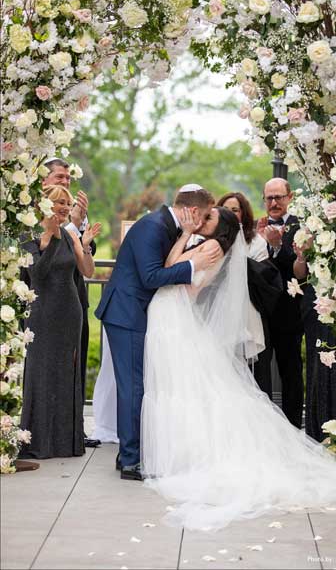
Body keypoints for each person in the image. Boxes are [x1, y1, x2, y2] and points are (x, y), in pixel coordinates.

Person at [141, 205, 336, 532]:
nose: (203, 219)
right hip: (173, 318)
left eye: (210, 218)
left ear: (222, 230)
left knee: (191, 393)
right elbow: (172, 268)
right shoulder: (204, 243)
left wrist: (186, 233)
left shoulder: (212, 247)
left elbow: (174, 273)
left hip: (177, 315)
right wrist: (186, 238)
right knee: (188, 393)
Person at [95, 185, 222, 481]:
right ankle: (130, 461)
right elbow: (151, 276)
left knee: (136, 384)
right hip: (126, 313)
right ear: (191, 211)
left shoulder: (168, 227)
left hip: (135, 312)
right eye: (202, 216)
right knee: (133, 387)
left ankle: (128, 452)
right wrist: (194, 265)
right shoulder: (152, 226)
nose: (202, 223)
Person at [19, 185, 101, 459]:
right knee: (41, 373)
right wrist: (48, 242)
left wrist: (86, 245)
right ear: (45, 206)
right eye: (60, 203)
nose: (65, 208)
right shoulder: (29, 237)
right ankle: (39, 441)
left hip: (70, 312)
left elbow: (87, 271)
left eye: (67, 203)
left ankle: (66, 442)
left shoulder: (69, 236)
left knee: (67, 374)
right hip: (42, 313)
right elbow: (37, 277)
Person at [42, 157, 99, 449]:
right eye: (60, 177)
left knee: (72, 371)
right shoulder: (34, 219)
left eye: (67, 178)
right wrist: (71, 224)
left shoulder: (75, 216)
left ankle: (72, 430)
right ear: (44, 179)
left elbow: (87, 263)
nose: (66, 182)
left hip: (74, 301)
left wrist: (82, 235)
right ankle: (45, 430)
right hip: (44, 306)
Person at [217, 191, 277, 398]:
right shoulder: (213, 241)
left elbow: (265, 276)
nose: (231, 213)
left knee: (256, 376)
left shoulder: (256, 242)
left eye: (235, 209)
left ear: (243, 213)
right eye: (226, 209)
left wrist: (239, 264)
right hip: (220, 312)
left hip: (250, 313)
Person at [293, 237, 336, 441]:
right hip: (315, 302)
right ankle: (317, 430)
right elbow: (299, 273)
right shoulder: (307, 228)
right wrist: (302, 256)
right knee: (317, 366)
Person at [256, 177, 304, 428]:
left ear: (290, 197)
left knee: (291, 374)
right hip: (259, 315)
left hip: (289, 312)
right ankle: (263, 430)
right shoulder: (257, 227)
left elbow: (298, 270)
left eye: (279, 197)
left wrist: (276, 246)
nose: (274, 203)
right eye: (269, 198)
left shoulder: (302, 226)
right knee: (258, 375)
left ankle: (294, 429)